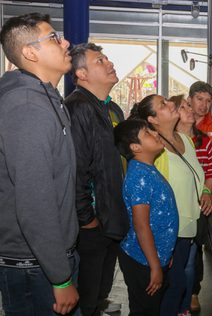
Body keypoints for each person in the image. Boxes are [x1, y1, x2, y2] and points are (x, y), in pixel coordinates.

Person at [0, 13, 79, 315]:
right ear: (30, 53)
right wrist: (59, 278)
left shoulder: (45, 97)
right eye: (54, 37)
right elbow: (34, 200)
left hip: (47, 259)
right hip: (35, 267)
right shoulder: (28, 107)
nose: (66, 42)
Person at [129, 94, 212, 316]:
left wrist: (205, 192)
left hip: (190, 226)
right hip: (170, 231)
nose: (172, 105)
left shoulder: (185, 140)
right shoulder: (154, 150)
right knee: (172, 288)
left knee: (181, 284)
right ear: (153, 119)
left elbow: (198, 176)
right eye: (163, 105)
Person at [65, 42, 129, 316]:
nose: (109, 63)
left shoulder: (111, 108)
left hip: (109, 219)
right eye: (100, 61)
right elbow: (75, 170)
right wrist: (87, 219)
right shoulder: (77, 108)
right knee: (86, 298)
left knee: (100, 293)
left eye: (107, 58)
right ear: (81, 74)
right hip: (92, 225)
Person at [114, 119, 179, 315]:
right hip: (142, 262)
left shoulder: (148, 169)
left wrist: (165, 253)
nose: (155, 134)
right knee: (145, 310)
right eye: (147, 133)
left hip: (153, 257)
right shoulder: (138, 176)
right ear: (135, 147)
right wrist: (154, 266)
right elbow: (141, 226)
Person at [187, 81, 212, 311]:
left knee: (195, 248)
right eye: (200, 99)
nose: (204, 105)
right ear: (190, 99)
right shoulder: (179, 122)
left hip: (201, 201)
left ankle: (193, 292)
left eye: (208, 100)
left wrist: (209, 197)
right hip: (178, 198)